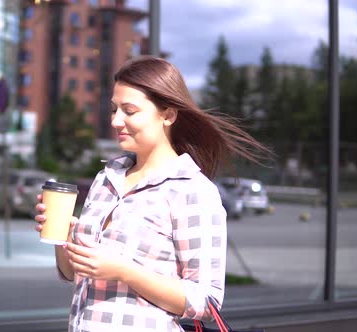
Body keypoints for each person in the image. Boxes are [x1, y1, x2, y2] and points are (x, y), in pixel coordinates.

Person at [34, 55, 270, 332]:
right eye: (113, 109)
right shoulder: (106, 179)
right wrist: (63, 239)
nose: (115, 121)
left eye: (129, 111)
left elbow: (207, 301)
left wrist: (124, 271)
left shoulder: (192, 190)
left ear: (168, 115)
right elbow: (75, 274)